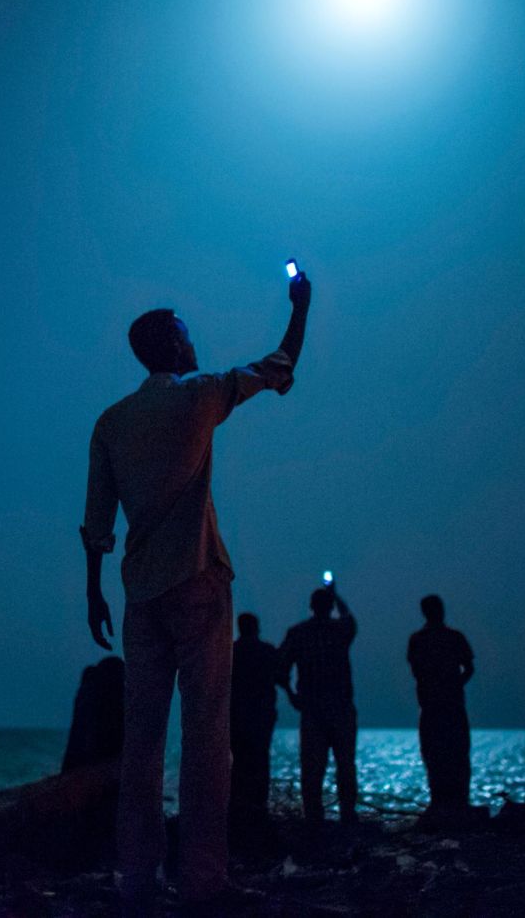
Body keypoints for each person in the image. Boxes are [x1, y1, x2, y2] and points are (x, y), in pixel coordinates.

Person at [81, 271, 312, 914]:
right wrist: (301, 307)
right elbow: (281, 363)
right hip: (198, 579)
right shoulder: (200, 397)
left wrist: (94, 595)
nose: (193, 343)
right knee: (208, 733)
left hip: (138, 594)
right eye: (185, 336)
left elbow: (97, 526)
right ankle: (203, 875)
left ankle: (136, 875)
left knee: (142, 739)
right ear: (173, 349)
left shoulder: (112, 422)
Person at [278, 581, 359, 824]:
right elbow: (349, 619)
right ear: (329, 606)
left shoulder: (299, 633)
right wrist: (337, 595)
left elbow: (280, 670)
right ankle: (346, 815)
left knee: (312, 769)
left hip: (313, 709)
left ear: (311, 606)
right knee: (345, 765)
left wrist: (292, 695)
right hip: (339, 708)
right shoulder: (339, 631)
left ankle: (314, 819)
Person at [406, 595, 475, 811]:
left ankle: (445, 803)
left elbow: (416, 672)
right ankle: (453, 803)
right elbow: (469, 668)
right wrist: (455, 685)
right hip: (446, 706)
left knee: (438, 756)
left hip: (436, 706)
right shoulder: (452, 638)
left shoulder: (419, 640)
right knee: (452, 756)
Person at [230, 613, 280, 820]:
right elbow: (280, 676)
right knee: (260, 761)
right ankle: (259, 807)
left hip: (236, 717)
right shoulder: (267, 651)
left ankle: (238, 806)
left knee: (237, 762)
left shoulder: (229, 652)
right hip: (260, 717)